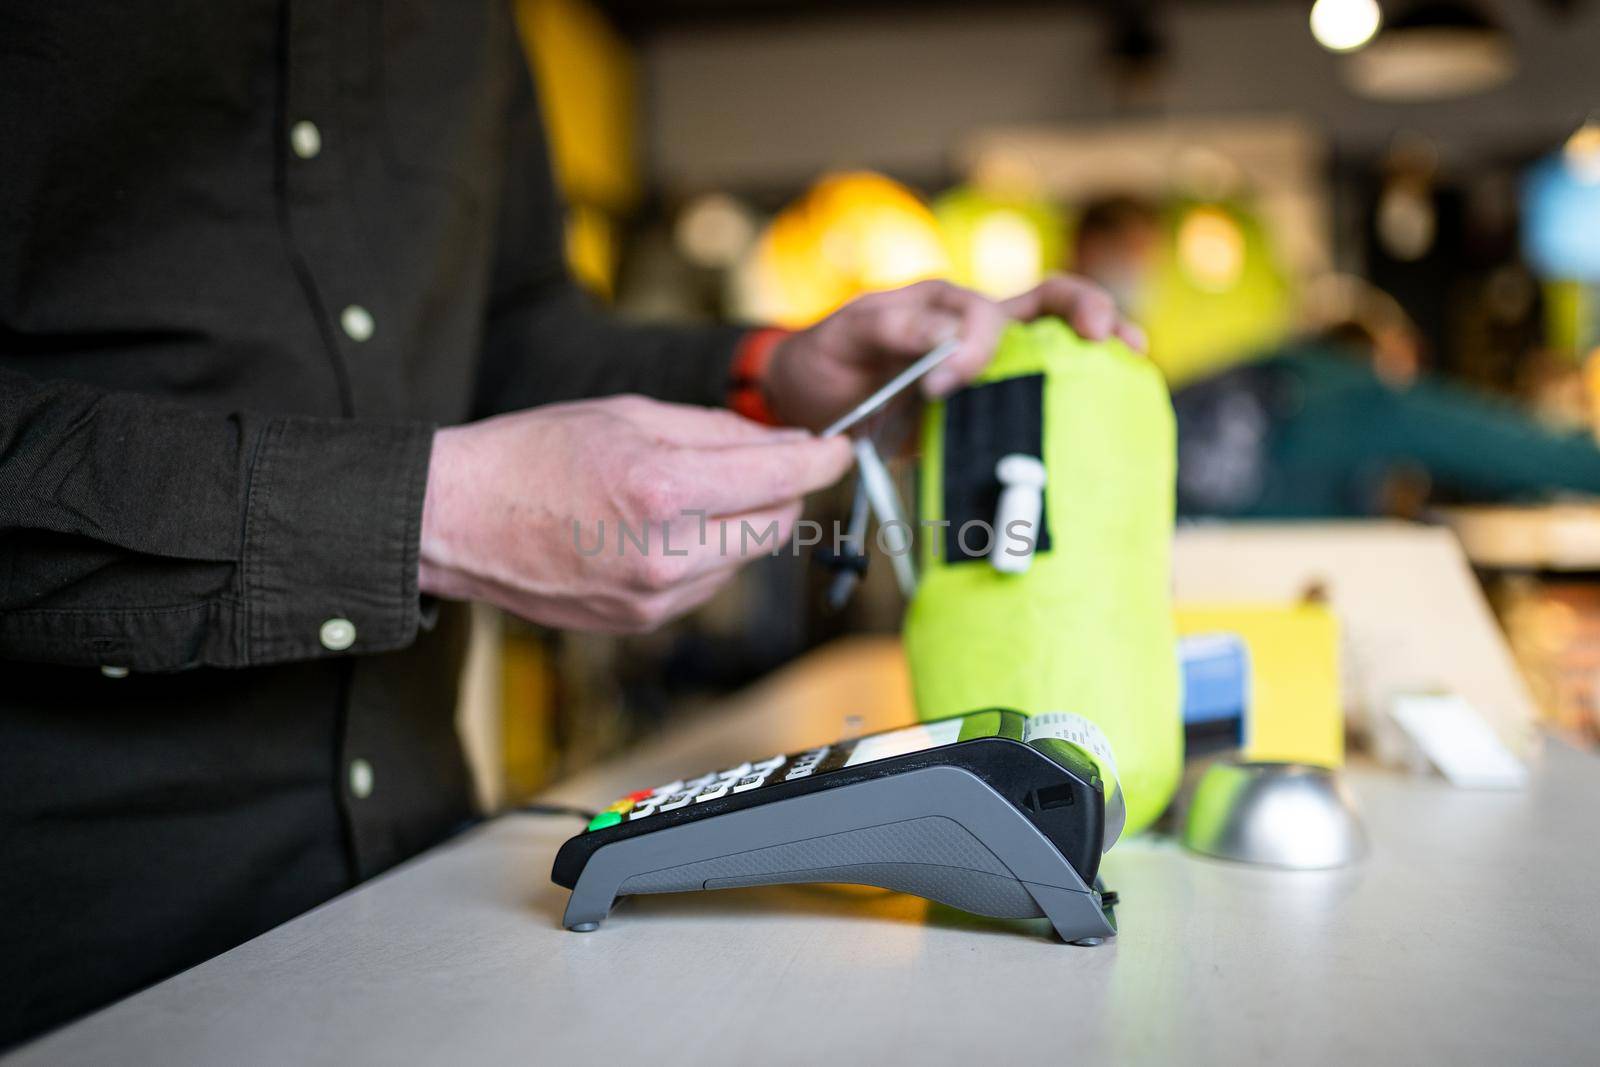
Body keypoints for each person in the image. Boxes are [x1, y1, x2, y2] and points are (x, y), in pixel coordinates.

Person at [0, 0, 1140, 1046]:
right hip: (67, 952)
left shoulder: (467, 27)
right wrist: (427, 512)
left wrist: (774, 367)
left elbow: (519, 336)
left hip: (423, 887)